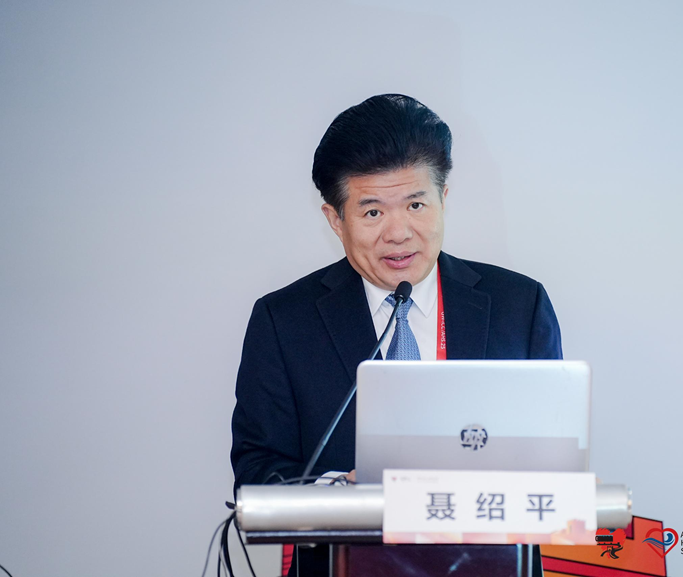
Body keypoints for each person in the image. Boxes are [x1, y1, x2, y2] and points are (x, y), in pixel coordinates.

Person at [230, 94, 562, 575]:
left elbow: (552, 462)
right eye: (372, 213)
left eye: (416, 204)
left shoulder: (519, 305)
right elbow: (257, 474)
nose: (399, 233)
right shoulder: (284, 321)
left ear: (443, 198)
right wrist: (342, 494)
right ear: (335, 219)